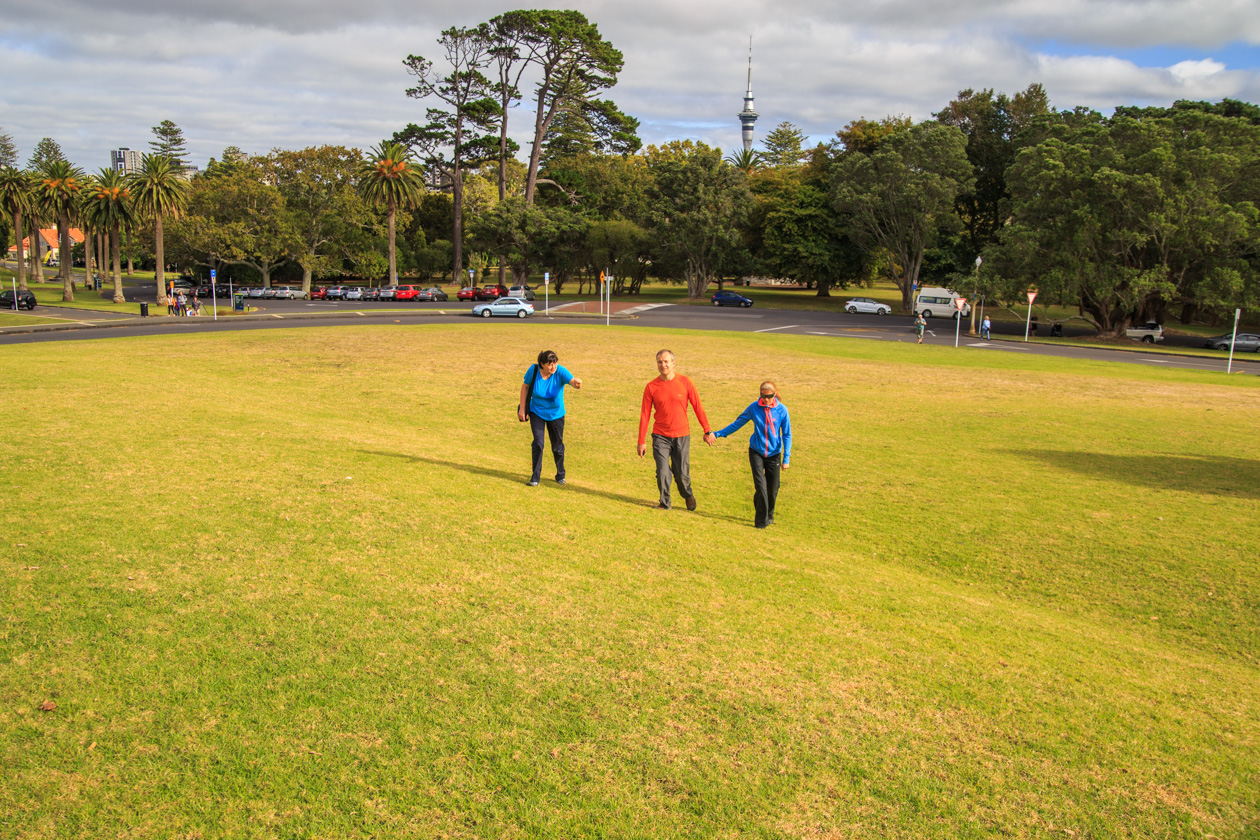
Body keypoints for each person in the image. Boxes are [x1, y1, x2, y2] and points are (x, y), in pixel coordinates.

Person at [637, 349, 714, 510]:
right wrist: (641, 441)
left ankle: (687, 494)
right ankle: (665, 503)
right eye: (660, 362)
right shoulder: (651, 387)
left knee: (681, 475)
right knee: (662, 472)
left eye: (666, 361)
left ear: (673, 363)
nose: (663, 365)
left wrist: (707, 430)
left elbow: (698, 407)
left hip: (681, 435)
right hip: (660, 436)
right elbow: (645, 414)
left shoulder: (686, 382)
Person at [713, 380, 792, 528]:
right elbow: (737, 424)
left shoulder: (782, 410)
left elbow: (787, 435)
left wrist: (786, 458)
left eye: (770, 396)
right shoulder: (754, 408)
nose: (766, 400)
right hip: (756, 451)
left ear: (775, 395)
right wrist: (718, 434)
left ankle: (769, 514)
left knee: (773, 489)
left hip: (774, 454)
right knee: (761, 487)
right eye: (763, 396)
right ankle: (760, 522)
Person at [518, 350, 582, 486]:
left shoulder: (560, 371)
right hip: (537, 412)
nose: (553, 366)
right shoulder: (534, 370)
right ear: (542, 364)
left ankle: (560, 474)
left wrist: (576, 382)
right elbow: (525, 387)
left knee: (557, 446)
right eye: (550, 364)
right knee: (538, 443)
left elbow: (571, 381)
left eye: (555, 363)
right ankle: (535, 477)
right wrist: (522, 409)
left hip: (556, 414)